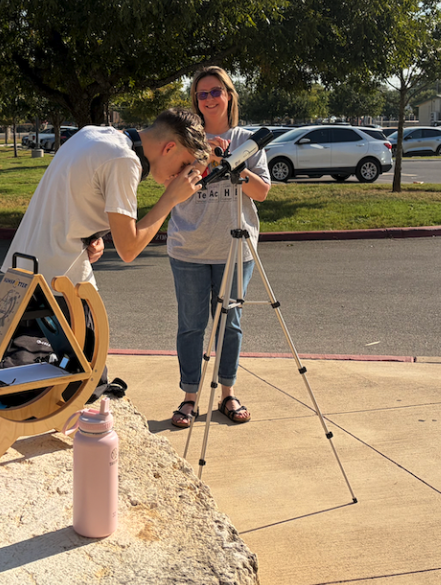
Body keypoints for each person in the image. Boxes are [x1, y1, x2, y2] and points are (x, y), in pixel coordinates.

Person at [0, 108, 210, 387]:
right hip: (59, 287)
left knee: (23, 378)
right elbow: (129, 249)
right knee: (83, 383)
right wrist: (170, 199)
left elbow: (70, 196)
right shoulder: (124, 161)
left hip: (22, 271)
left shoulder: (92, 133)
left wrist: (91, 235)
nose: (180, 176)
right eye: (183, 166)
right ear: (169, 147)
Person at [168, 67, 272, 428]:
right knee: (192, 326)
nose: (209, 99)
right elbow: (170, 182)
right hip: (188, 246)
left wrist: (233, 164)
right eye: (202, 94)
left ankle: (227, 393)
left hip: (235, 248)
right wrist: (203, 156)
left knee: (231, 325)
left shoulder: (248, 139)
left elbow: (261, 192)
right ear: (195, 101)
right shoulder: (182, 138)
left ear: (229, 95)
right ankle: (189, 398)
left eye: (216, 91)